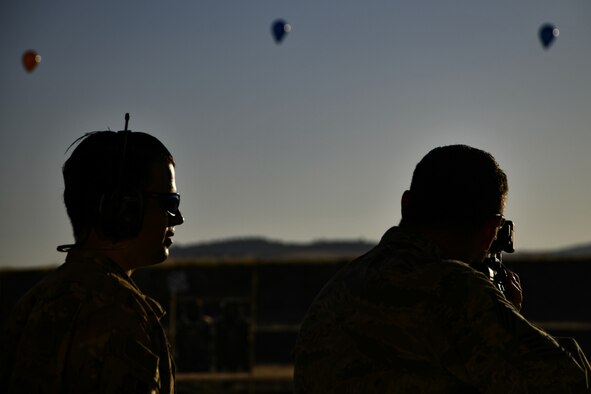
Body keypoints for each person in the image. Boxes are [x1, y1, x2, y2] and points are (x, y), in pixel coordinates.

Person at [293, 144, 591, 393]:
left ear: (406, 204)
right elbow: (568, 380)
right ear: (490, 232)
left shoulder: (341, 286)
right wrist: (504, 314)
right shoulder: (454, 290)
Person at [0, 118, 184, 393]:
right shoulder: (118, 310)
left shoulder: (36, 301)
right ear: (123, 206)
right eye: (169, 202)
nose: (177, 218)